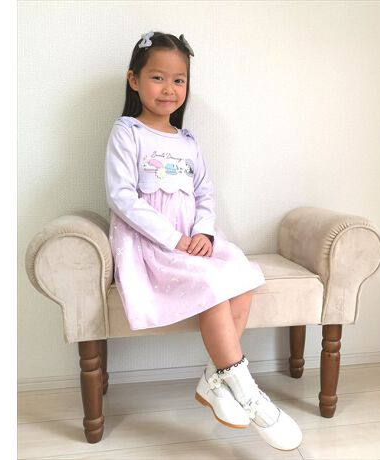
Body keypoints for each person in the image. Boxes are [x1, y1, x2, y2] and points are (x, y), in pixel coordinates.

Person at [104, 31, 302, 451]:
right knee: (212, 287)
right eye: (158, 77)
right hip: (153, 244)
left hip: (193, 240)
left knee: (242, 277)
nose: (169, 89)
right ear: (134, 80)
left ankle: (215, 378)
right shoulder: (127, 132)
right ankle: (249, 394)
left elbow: (204, 194)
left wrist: (203, 232)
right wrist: (174, 238)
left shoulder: (188, 141)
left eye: (179, 80)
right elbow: (121, 196)